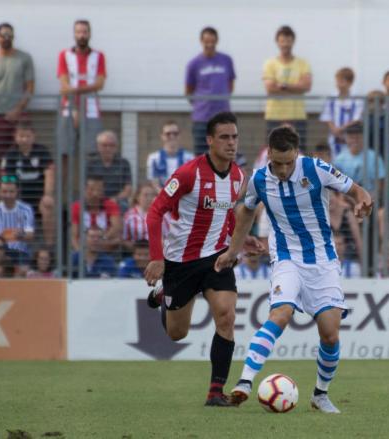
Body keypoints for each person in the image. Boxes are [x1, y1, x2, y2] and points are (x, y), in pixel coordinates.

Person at [214, 125, 373, 414]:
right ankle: (245, 383)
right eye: (278, 163)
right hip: (286, 257)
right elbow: (247, 210)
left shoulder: (316, 168)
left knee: (330, 334)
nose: (284, 169)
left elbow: (356, 190)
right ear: (269, 155)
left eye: (289, 163)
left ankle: (320, 395)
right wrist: (233, 251)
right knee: (281, 313)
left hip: (324, 261)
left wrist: (364, 200)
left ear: (297, 154)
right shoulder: (260, 179)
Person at [143, 112, 260, 407]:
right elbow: (154, 212)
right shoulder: (187, 174)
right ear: (210, 140)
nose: (231, 143)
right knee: (176, 334)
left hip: (218, 258)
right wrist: (157, 259)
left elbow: (228, 216)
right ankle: (164, 293)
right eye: (224, 137)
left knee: (226, 315)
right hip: (181, 262)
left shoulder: (238, 177)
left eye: (234, 137)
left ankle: (215, 392)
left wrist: (240, 239)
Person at [0, 23, 34, 159]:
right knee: (1, 157)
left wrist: (18, 110)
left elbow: (30, 88)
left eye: (9, 35)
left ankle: (21, 180)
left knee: (23, 152)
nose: (6, 38)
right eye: (3, 35)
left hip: (19, 115)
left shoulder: (24, 58)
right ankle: (5, 181)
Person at [0, 122, 55, 245]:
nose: (24, 139)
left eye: (28, 136)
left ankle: (49, 247)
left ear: (34, 136)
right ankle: (18, 247)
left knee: (48, 206)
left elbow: (49, 174)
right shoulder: (11, 155)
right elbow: (6, 179)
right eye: (21, 136)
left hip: (39, 197)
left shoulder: (42, 151)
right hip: (19, 198)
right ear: (15, 137)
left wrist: (48, 195)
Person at [57, 19, 106, 154]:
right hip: (68, 109)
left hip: (91, 110)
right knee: (65, 153)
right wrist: (75, 107)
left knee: (92, 153)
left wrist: (74, 90)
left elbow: (100, 84)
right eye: (78, 32)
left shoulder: (98, 56)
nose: (82, 35)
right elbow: (64, 84)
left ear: (90, 34)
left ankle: (89, 177)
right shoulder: (64, 55)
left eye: (85, 32)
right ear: (74, 34)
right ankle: (65, 177)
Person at [186, 27, 236, 156]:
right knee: (201, 155)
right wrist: (201, 104)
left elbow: (230, 84)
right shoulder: (194, 63)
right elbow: (189, 90)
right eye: (207, 41)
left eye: (212, 41)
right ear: (201, 41)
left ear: (217, 41)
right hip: (202, 118)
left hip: (223, 117)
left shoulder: (226, 60)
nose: (209, 45)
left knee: (224, 154)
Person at [263, 26, 312, 148]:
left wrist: (283, 86)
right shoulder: (270, 64)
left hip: (297, 116)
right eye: (282, 41)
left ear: (293, 41)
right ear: (277, 42)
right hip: (274, 116)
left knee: (299, 153)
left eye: (288, 41)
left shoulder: (303, 63)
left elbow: (306, 86)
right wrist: (296, 87)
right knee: (274, 153)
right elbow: (269, 88)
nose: (285, 44)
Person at [70, 174, 122, 253]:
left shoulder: (111, 205)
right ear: (84, 190)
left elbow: (116, 228)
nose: (95, 193)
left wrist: (100, 239)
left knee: (117, 240)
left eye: (99, 190)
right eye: (91, 189)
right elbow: (74, 236)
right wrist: (80, 253)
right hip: (84, 247)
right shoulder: (76, 207)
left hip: (104, 245)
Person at [0, 175, 35, 263]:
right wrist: (19, 234)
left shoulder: (26, 209)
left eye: (11, 192)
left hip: (21, 251)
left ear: (17, 192)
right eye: (5, 191)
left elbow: (30, 235)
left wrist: (6, 233)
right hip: (2, 251)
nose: (8, 195)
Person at [334, 122, 386, 196]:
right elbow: (336, 186)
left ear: (364, 138)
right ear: (346, 139)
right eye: (351, 137)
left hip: (370, 198)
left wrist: (368, 199)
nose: (355, 140)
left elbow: (380, 185)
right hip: (347, 199)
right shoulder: (339, 160)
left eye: (358, 137)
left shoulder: (375, 157)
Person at [320, 67, 363, 156]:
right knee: (335, 161)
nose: (338, 84)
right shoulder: (331, 98)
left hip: (351, 138)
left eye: (341, 81)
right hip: (334, 138)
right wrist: (334, 129)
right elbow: (327, 117)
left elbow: (357, 118)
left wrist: (341, 129)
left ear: (350, 83)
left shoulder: (357, 99)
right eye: (337, 81)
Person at [86, 130, 133, 211]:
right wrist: (97, 198)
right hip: (95, 199)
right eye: (104, 145)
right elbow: (86, 187)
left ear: (116, 147)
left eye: (112, 145)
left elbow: (128, 189)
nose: (108, 148)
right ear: (98, 146)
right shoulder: (91, 163)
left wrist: (115, 199)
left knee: (123, 206)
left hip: (117, 199)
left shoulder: (124, 163)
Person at [146, 121, 195, 191]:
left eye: (175, 134)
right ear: (162, 136)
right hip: (162, 198)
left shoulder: (190, 158)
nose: (172, 136)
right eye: (168, 134)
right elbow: (154, 184)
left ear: (179, 136)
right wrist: (166, 198)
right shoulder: (153, 158)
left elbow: (191, 181)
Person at [123, 182, 158, 251]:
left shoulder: (162, 214)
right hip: (137, 254)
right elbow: (125, 239)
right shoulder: (129, 215)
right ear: (137, 197)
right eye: (146, 195)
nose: (149, 198)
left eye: (152, 195)